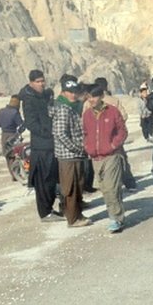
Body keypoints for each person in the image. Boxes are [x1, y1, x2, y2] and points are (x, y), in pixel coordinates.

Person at [83, 85, 128, 233]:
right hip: (96, 158)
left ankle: (116, 218)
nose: (91, 100)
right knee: (105, 189)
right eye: (89, 97)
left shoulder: (112, 111)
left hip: (112, 156)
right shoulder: (87, 114)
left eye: (94, 97)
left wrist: (113, 145)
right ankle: (117, 214)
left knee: (111, 187)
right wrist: (87, 147)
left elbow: (122, 131)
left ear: (101, 96)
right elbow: (85, 133)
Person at [19, 69, 61, 221]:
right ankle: (45, 212)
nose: (41, 84)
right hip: (41, 145)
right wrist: (47, 133)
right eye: (38, 81)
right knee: (43, 181)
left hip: (51, 144)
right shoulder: (29, 99)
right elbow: (31, 123)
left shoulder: (46, 95)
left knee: (52, 179)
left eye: (42, 80)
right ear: (31, 82)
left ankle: (51, 208)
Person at [50, 75, 90, 227]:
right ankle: (72, 219)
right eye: (70, 92)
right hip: (69, 156)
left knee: (78, 186)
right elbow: (60, 133)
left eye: (75, 92)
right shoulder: (63, 110)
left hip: (75, 155)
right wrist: (76, 147)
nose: (74, 95)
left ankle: (77, 214)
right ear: (64, 92)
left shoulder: (70, 107)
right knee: (71, 188)